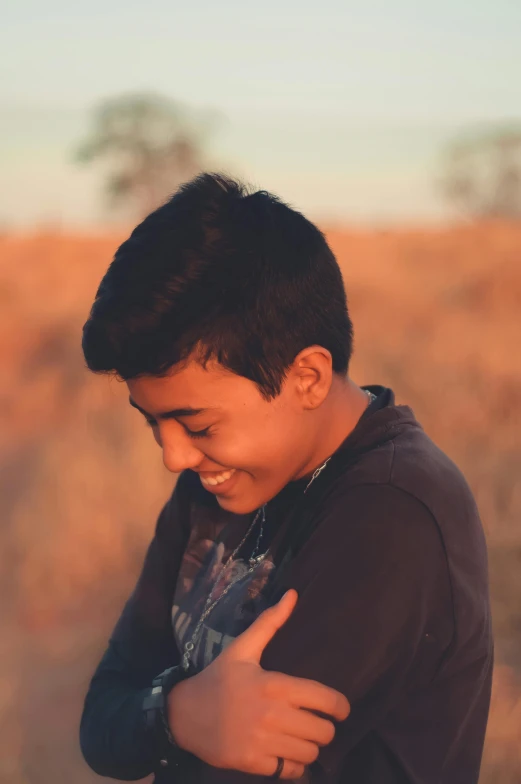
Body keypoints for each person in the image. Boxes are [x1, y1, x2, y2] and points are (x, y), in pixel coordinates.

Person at [79, 173, 493, 784]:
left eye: (195, 423)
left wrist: (156, 718)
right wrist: (178, 717)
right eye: (154, 423)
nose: (174, 456)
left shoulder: (390, 516)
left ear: (307, 378)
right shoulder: (220, 477)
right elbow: (102, 719)